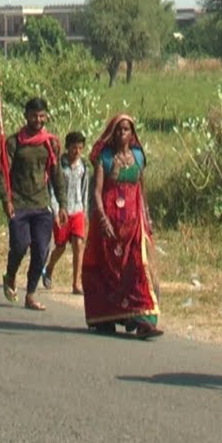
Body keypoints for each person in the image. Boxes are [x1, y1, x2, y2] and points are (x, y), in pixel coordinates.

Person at [82, 114, 163, 339]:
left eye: (126, 130)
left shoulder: (138, 157)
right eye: (118, 130)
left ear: (132, 133)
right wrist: (103, 220)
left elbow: (141, 189)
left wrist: (147, 217)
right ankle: (108, 316)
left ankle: (144, 319)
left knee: (138, 267)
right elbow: (97, 192)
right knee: (109, 270)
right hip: (109, 225)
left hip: (134, 223)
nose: (122, 134)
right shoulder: (105, 158)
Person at [0, 97, 66, 311]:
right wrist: (6, 200)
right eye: (34, 115)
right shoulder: (13, 142)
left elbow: (57, 175)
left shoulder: (51, 143)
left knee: (41, 250)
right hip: (18, 203)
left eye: (42, 115)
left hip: (42, 205)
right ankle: (10, 275)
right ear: (26, 116)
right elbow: (2, 173)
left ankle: (30, 293)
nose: (38, 119)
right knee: (19, 246)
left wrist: (62, 204)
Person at [44, 131, 89, 296]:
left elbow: (84, 190)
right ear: (67, 147)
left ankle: (76, 283)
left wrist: (85, 211)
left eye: (80, 148)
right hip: (62, 210)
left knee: (78, 244)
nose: (76, 152)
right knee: (61, 246)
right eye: (74, 148)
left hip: (77, 210)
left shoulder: (83, 166)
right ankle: (49, 269)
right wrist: (55, 211)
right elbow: (52, 189)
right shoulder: (58, 165)